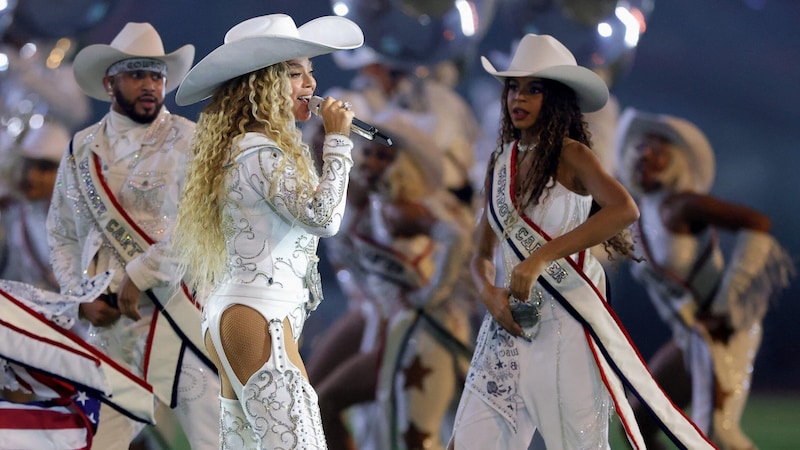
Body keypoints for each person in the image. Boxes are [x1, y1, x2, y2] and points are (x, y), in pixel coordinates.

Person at [447, 34, 716, 449]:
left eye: (533, 88)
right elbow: (481, 253)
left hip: (566, 325)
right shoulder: (501, 162)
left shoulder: (572, 155)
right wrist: (487, 293)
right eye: (513, 87)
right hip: (507, 329)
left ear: (555, 98)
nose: (519, 97)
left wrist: (540, 257)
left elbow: (624, 209)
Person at [170, 13, 363, 449]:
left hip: (243, 311)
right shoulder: (260, 152)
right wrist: (338, 142)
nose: (310, 85)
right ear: (260, 84)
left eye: (310, 72)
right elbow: (325, 217)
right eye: (294, 73)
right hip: (259, 315)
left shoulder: (245, 148)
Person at [46, 22, 220, 449]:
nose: (149, 85)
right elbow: (62, 233)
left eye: (156, 76)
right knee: (98, 442)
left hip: (177, 314)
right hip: (110, 328)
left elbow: (199, 225)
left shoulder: (190, 139)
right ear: (110, 83)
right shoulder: (80, 148)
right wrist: (80, 297)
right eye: (137, 74)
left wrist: (143, 271)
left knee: (214, 439)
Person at [615, 107, 795, 450]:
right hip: (690, 336)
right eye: (640, 147)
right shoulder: (638, 211)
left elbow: (759, 224)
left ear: (677, 161)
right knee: (636, 423)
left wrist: (730, 306)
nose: (645, 154)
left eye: (658, 149)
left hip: (721, 334)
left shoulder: (682, 204)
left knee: (718, 433)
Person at [307, 112, 473, 450]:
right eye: (367, 152)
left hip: (420, 332)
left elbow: (456, 237)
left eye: (383, 155)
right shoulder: (376, 204)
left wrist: (431, 294)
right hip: (401, 327)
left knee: (415, 434)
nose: (370, 160)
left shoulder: (398, 210)